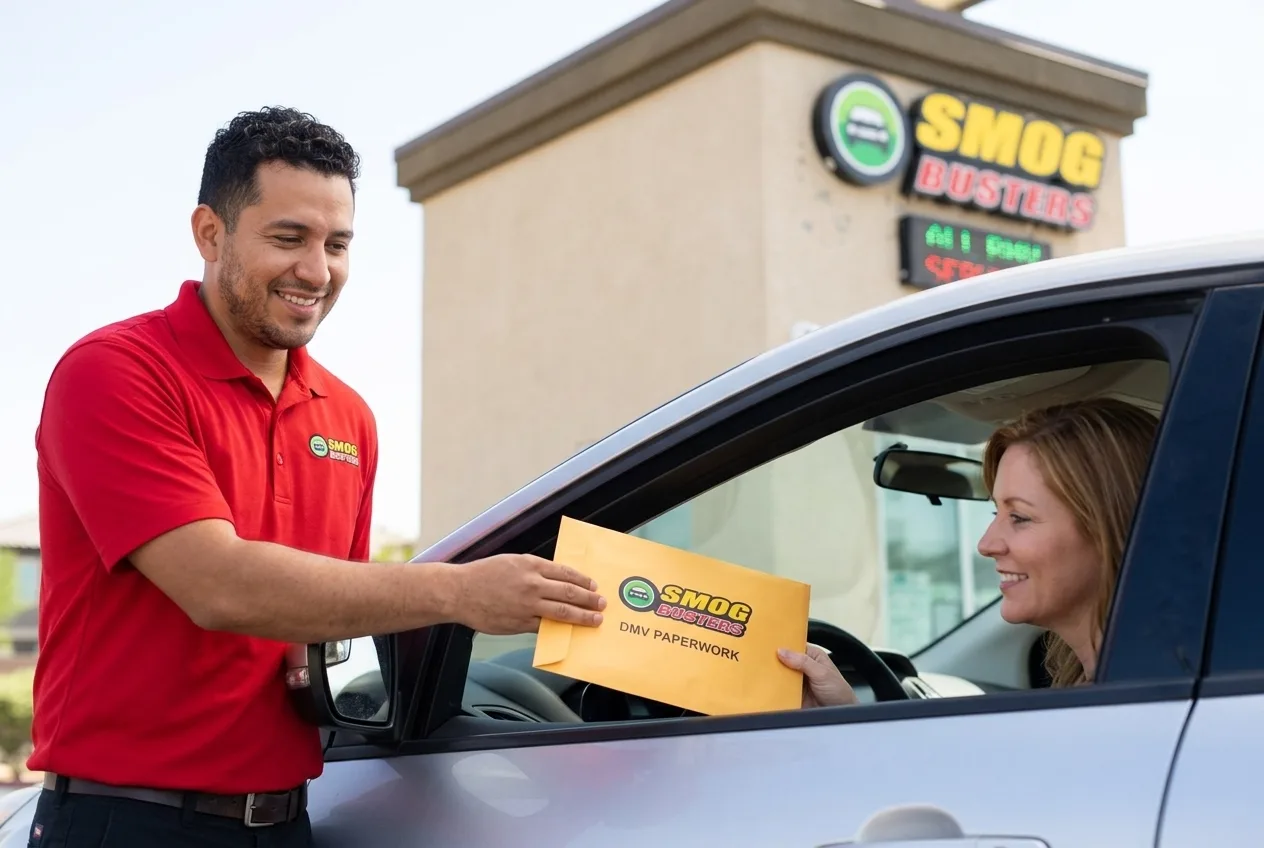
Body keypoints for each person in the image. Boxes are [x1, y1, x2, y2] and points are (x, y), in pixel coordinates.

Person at [25, 107, 605, 848]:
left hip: (287, 821)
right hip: (126, 821)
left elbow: (327, 611)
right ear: (210, 233)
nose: (316, 271)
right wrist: (463, 592)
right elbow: (218, 585)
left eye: (337, 244)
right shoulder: (115, 373)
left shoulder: (349, 417)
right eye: (288, 238)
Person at [776, 397, 1159, 708]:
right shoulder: (1128, 688)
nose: (986, 544)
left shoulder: (1136, 703)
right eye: (997, 513)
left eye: (1020, 517)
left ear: (1113, 527)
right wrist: (844, 714)